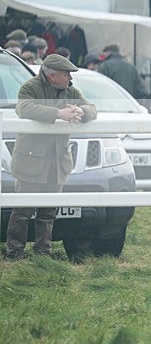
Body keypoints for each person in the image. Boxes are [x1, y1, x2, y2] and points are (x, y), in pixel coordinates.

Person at [4, 54, 98, 260]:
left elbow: (92, 108)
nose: (70, 78)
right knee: (22, 211)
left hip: (57, 162)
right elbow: (25, 108)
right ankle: (14, 253)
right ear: (52, 75)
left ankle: (43, 254)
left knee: (49, 211)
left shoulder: (71, 91)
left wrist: (80, 111)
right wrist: (59, 114)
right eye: (66, 74)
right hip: (31, 161)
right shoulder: (29, 88)